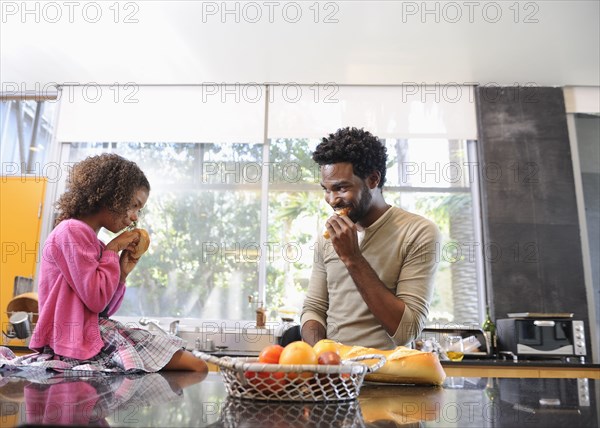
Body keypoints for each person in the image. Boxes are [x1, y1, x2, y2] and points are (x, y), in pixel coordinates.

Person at [25, 153, 207, 374]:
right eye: (134, 205)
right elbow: (96, 300)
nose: (135, 217)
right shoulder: (72, 231)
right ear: (112, 195)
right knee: (196, 366)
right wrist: (112, 249)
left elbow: (104, 309)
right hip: (76, 337)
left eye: (139, 210)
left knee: (195, 365)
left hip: (88, 332)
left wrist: (121, 273)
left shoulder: (94, 242)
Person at [301, 127, 441, 349]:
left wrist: (352, 257)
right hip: (334, 375)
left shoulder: (419, 232)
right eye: (326, 190)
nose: (332, 200)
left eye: (341, 188)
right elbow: (314, 308)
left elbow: (407, 331)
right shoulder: (326, 237)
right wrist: (322, 352)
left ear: (373, 179)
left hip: (390, 376)